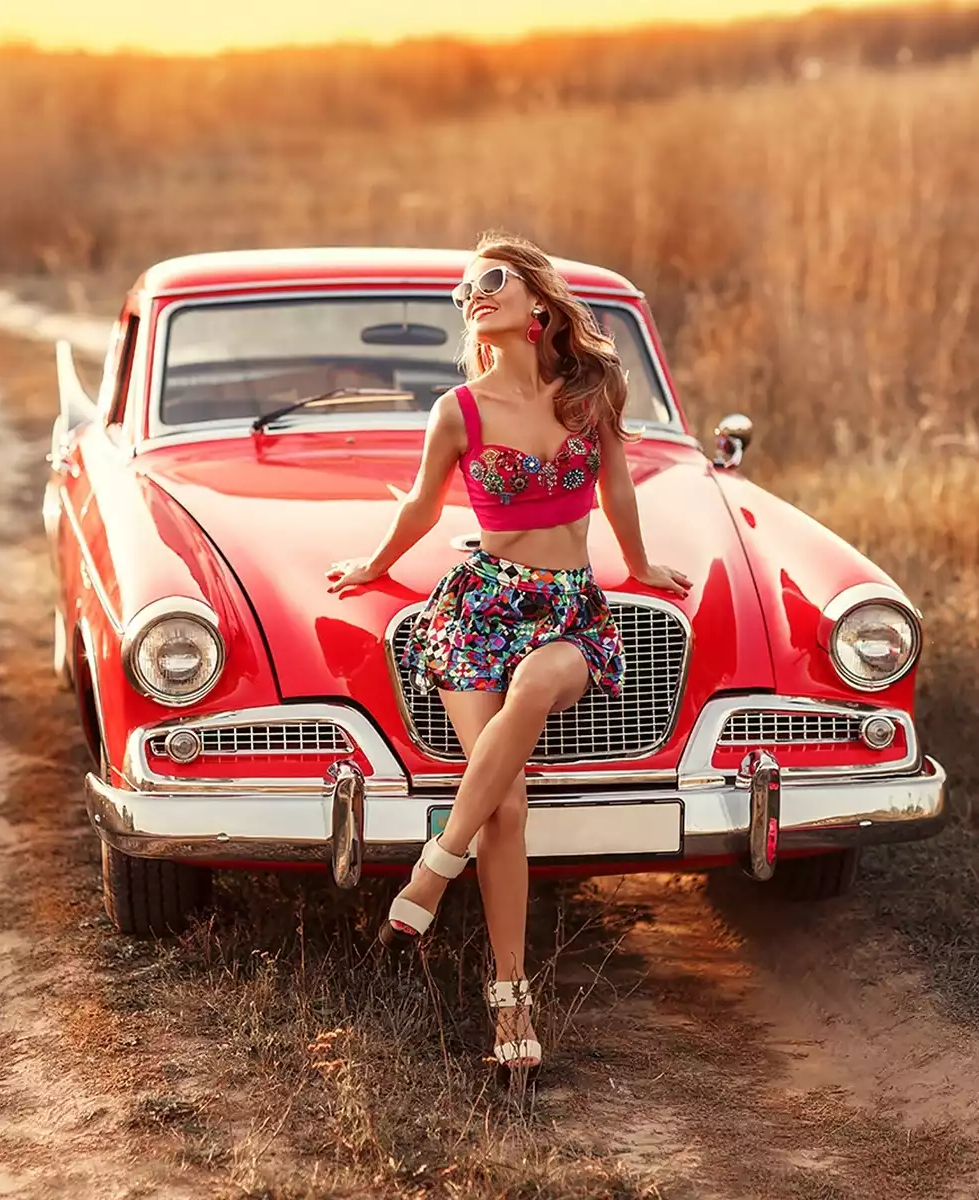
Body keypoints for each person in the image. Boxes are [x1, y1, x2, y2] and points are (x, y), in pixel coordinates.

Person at [324, 231, 692, 1079]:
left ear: (537, 297)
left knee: (536, 683)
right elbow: (422, 507)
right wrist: (373, 565)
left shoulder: (592, 389)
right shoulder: (458, 410)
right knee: (507, 806)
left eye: (490, 279)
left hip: (569, 612)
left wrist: (639, 566)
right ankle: (511, 997)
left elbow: (618, 485)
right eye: (463, 292)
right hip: (479, 610)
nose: (473, 296)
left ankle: (432, 872)